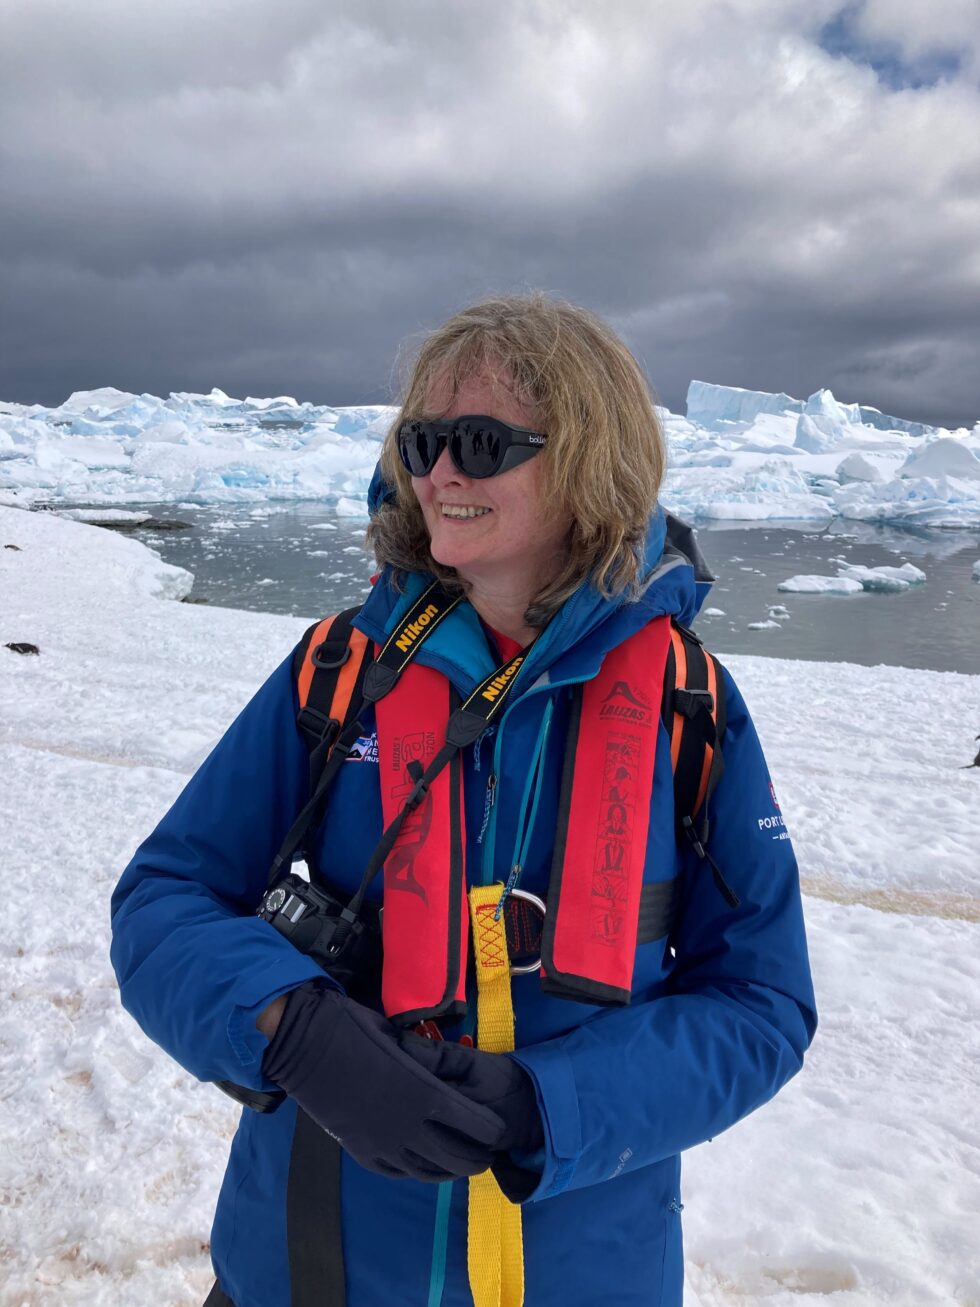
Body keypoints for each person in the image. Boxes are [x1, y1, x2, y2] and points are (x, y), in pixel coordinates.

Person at [111, 294, 817, 1307]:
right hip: (312, 1268)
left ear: (587, 462)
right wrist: (293, 1027)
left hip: (581, 1275)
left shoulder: (685, 703)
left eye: (480, 443)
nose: (440, 472)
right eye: (422, 442)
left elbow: (761, 1003)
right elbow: (163, 894)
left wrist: (547, 1106)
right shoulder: (340, 671)